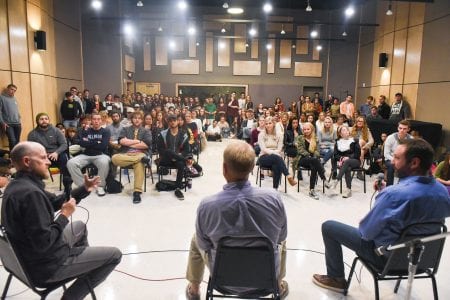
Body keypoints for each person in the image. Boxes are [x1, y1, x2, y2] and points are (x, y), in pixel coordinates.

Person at [312, 138, 450, 294]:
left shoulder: (393, 195)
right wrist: (386, 191)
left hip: (386, 260)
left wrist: (385, 195)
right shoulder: (442, 192)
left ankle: (336, 279)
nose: (392, 162)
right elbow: (418, 206)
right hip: (422, 261)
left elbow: (366, 233)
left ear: (414, 163)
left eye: (397, 158)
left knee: (329, 227)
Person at [1, 141, 122, 299]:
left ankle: (84, 270)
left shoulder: (18, 185)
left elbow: (55, 202)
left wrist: (83, 189)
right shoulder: (30, 195)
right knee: (115, 255)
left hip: (27, 257)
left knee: (79, 227)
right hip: (47, 267)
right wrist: (64, 215)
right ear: (26, 161)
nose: (48, 161)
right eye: (43, 157)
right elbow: (45, 243)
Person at [185, 141, 289, 300]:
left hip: (223, 281)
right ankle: (279, 284)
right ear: (253, 167)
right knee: (280, 243)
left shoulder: (207, 206)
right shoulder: (274, 199)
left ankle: (194, 290)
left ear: (224, 169)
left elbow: (204, 245)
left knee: (195, 239)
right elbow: (281, 237)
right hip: (265, 281)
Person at [27, 113, 73, 195]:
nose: (44, 121)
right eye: (41, 119)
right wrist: (42, 154)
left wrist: (56, 153)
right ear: (37, 121)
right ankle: (36, 188)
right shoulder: (32, 134)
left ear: (48, 120)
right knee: (31, 164)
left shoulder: (56, 131)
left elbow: (64, 144)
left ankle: (67, 187)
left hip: (56, 155)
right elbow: (31, 148)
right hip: (41, 156)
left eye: (46, 119)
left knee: (66, 162)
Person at [112, 112, 152, 204]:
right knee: (114, 158)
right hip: (126, 154)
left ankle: (137, 192)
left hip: (140, 154)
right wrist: (137, 141)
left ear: (142, 120)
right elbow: (122, 141)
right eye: (135, 118)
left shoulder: (146, 131)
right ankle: (141, 160)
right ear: (131, 119)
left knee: (139, 164)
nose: (137, 120)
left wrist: (129, 142)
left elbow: (145, 145)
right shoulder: (125, 129)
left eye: (139, 118)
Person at [67, 113, 111, 196]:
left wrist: (88, 142)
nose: (96, 121)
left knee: (105, 162)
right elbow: (80, 142)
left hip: (100, 155)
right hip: (85, 155)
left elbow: (102, 146)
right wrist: (96, 142)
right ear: (91, 121)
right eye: (94, 119)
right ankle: (83, 186)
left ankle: (100, 186)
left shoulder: (105, 131)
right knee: (71, 163)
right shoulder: (85, 131)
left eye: (98, 119)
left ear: (101, 121)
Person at [156, 114, 191, 200]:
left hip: (178, 159)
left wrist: (179, 156)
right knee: (168, 151)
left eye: (174, 120)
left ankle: (178, 189)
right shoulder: (163, 134)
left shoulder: (183, 134)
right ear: (168, 122)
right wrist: (172, 155)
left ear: (178, 121)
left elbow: (186, 150)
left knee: (181, 164)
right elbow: (160, 149)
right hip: (166, 159)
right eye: (170, 121)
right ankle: (185, 160)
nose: (172, 122)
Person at [293, 123, 330, 199]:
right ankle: (324, 179)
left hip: (312, 160)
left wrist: (314, 155)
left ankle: (311, 190)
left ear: (312, 129)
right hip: (301, 159)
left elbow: (317, 151)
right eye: (304, 129)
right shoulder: (300, 137)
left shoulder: (315, 138)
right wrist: (309, 155)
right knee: (315, 161)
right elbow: (300, 150)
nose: (306, 131)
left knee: (314, 165)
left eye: (308, 129)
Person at [258, 117, 296, 190]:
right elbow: (263, 149)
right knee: (277, 158)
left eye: (270, 123)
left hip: (276, 157)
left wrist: (274, 153)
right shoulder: (261, 135)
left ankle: (275, 188)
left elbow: (279, 149)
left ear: (274, 124)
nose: (268, 125)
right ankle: (288, 176)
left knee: (276, 165)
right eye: (266, 124)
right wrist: (274, 153)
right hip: (263, 157)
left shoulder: (279, 134)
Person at [329, 125, 361, 198]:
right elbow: (335, 155)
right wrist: (342, 157)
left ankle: (336, 181)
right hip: (345, 163)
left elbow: (357, 154)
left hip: (355, 161)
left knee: (347, 162)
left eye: (346, 129)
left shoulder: (354, 140)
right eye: (343, 130)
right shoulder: (338, 142)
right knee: (347, 168)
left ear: (348, 131)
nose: (345, 131)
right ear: (340, 134)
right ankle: (348, 190)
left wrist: (348, 157)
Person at [384, 120, 413, 186]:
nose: (402, 130)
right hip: (390, 159)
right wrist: (395, 160)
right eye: (400, 128)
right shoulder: (390, 138)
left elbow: (411, 153)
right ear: (398, 128)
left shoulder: (411, 139)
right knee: (391, 166)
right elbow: (386, 154)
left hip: (404, 159)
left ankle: (401, 186)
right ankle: (389, 187)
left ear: (408, 129)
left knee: (409, 166)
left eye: (404, 129)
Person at [0, 84, 21, 151]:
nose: (13, 91)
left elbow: (16, 110)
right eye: (12, 89)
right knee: (12, 141)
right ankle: (12, 157)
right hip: (8, 124)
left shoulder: (14, 98)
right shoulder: (1, 97)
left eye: (14, 90)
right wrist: (2, 122)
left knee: (17, 142)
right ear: (7, 89)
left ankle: (17, 156)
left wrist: (19, 119)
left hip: (18, 123)